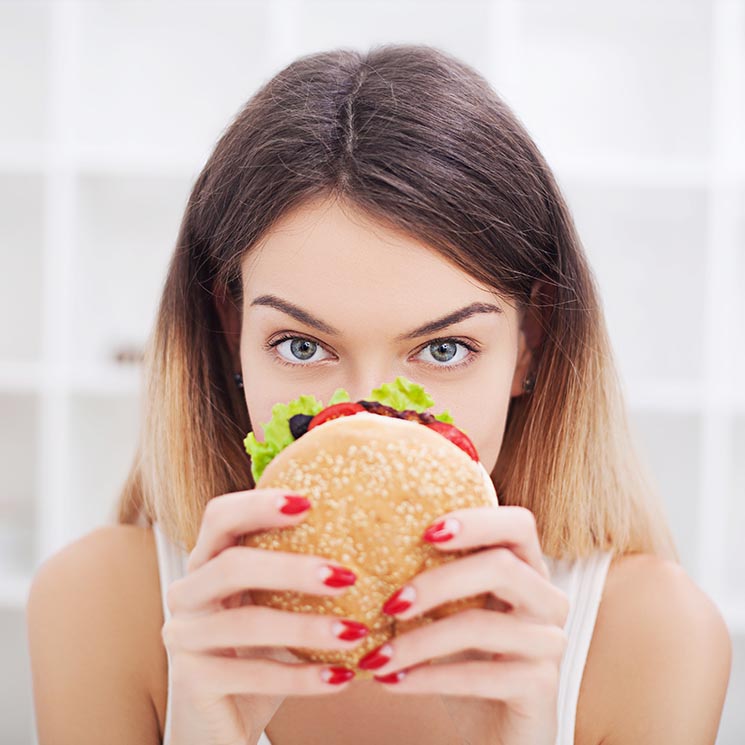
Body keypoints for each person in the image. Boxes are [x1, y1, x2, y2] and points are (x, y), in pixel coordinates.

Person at [26, 43, 731, 745]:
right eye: (302, 346)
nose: (363, 415)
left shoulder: (656, 636)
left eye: (444, 348)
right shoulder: (95, 605)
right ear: (230, 332)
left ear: (530, 345)